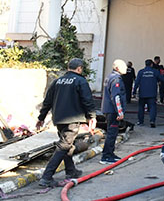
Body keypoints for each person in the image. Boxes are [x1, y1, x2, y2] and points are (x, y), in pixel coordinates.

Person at [35, 58, 96, 187]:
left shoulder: (57, 82)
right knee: (63, 146)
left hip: (59, 119)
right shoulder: (80, 81)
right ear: (79, 68)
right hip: (72, 119)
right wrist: (92, 117)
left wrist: (41, 118)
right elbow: (87, 100)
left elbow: (47, 101)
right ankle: (47, 177)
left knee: (66, 145)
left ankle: (71, 170)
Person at [100, 59, 128, 164]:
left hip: (108, 109)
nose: (126, 68)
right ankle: (106, 156)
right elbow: (116, 97)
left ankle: (110, 153)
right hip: (113, 111)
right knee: (112, 133)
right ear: (117, 68)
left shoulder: (109, 77)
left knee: (112, 132)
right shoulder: (116, 79)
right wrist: (120, 112)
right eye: (123, 66)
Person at [133, 59, 164, 127]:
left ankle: (140, 121)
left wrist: (134, 92)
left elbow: (136, 82)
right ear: (151, 64)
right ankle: (152, 121)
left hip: (142, 93)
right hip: (152, 93)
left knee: (141, 107)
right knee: (152, 107)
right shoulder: (155, 71)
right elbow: (162, 78)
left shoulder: (141, 72)